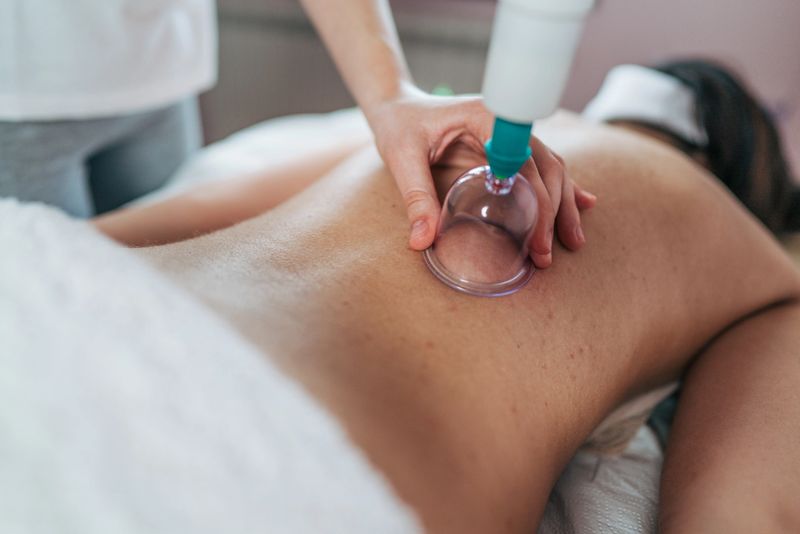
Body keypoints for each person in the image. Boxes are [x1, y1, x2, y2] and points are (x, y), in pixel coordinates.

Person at [92, 60, 800, 532]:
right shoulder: (761, 269)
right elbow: (737, 518)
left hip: (87, 320)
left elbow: (126, 229)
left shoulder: (428, 132)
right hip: (288, 475)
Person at [0, 0, 577, 269]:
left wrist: (391, 97)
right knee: (40, 283)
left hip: (158, 68)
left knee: (156, 268)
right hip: (18, 94)